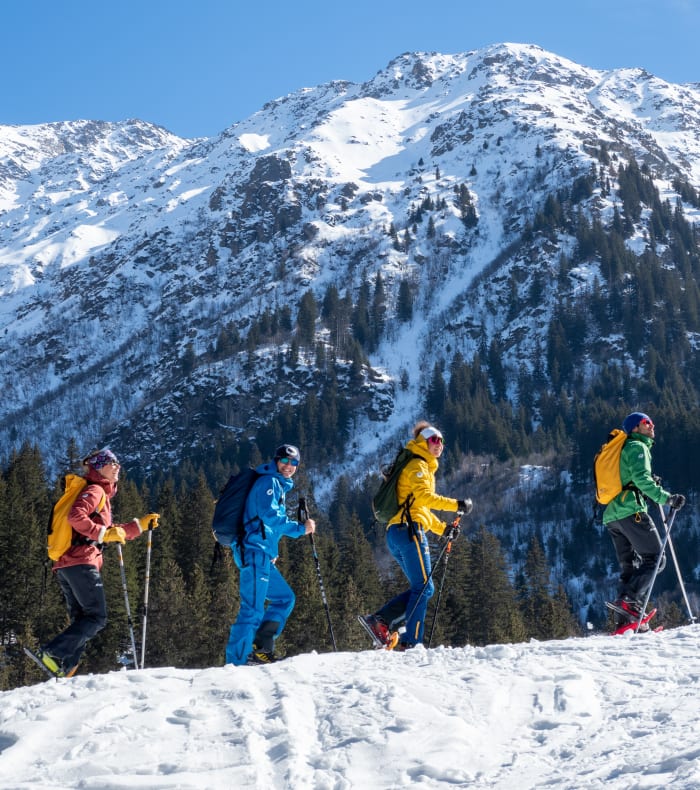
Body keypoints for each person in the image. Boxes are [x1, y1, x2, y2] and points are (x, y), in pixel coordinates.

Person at [38, 448, 160, 677]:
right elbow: (76, 517)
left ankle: (64, 669)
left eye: (117, 462)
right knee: (96, 617)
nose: (117, 466)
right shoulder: (95, 490)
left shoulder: (97, 492)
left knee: (82, 620)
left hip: (66, 565)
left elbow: (110, 531)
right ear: (99, 467)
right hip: (81, 562)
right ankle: (52, 653)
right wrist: (103, 534)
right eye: (112, 462)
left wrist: (140, 526)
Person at [359, 421, 472, 650]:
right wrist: (457, 505)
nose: (439, 444)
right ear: (423, 442)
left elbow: (418, 509)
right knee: (423, 587)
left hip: (398, 532)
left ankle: (381, 622)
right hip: (410, 532)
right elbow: (425, 499)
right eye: (434, 440)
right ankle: (411, 641)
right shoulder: (418, 465)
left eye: (442, 441)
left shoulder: (417, 464)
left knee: (424, 588)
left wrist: (443, 529)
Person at [225, 443, 316, 666]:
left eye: (293, 462)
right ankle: (238, 662)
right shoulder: (269, 481)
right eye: (284, 460)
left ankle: (261, 648)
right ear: (276, 461)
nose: (288, 466)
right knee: (252, 609)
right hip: (254, 552)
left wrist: (271, 549)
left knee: (285, 598)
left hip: (261, 553)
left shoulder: (275, 483)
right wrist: (300, 529)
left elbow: (264, 523)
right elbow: (270, 516)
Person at [603, 412, 685, 626]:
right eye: (646, 423)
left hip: (612, 515)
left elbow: (630, 477)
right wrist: (667, 498)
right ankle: (630, 601)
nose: (651, 425)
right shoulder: (637, 447)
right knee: (656, 559)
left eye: (651, 422)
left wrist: (647, 482)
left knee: (629, 567)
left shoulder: (622, 448)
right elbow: (641, 479)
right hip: (631, 511)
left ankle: (626, 621)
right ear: (635, 428)